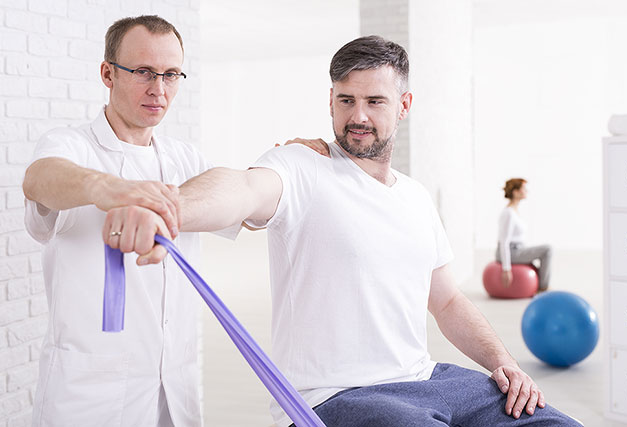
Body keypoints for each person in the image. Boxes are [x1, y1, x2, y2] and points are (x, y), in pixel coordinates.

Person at [104, 36, 580, 426]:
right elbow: (242, 187)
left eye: (375, 101)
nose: (358, 116)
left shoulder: (415, 197)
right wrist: (167, 207)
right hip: (338, 397)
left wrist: (506, 365)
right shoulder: (301, 166)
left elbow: (448, 301)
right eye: (345, 100)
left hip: (432, 380)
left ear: (404, 105)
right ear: (330, 100)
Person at [22, 15, 240, 426]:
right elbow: (38, 179)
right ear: (108, 73)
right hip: (89, 398)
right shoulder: (70, 144)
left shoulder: (185, 158)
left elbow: (240, 204)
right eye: (143, 72)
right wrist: (110, 189)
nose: (159, 89)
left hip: (173, 389)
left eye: (171, 74)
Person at [496, 178, 552, 291]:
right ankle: (543, 288)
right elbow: (504, 242)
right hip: (512, 252)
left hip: (517, 249)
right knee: (548, 249)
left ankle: (540, 286)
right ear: (516, 192)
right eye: (524, 189)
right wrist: (506, 269)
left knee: (543, 255)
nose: (526, 191)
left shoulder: (514, 211)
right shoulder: (508, 213)